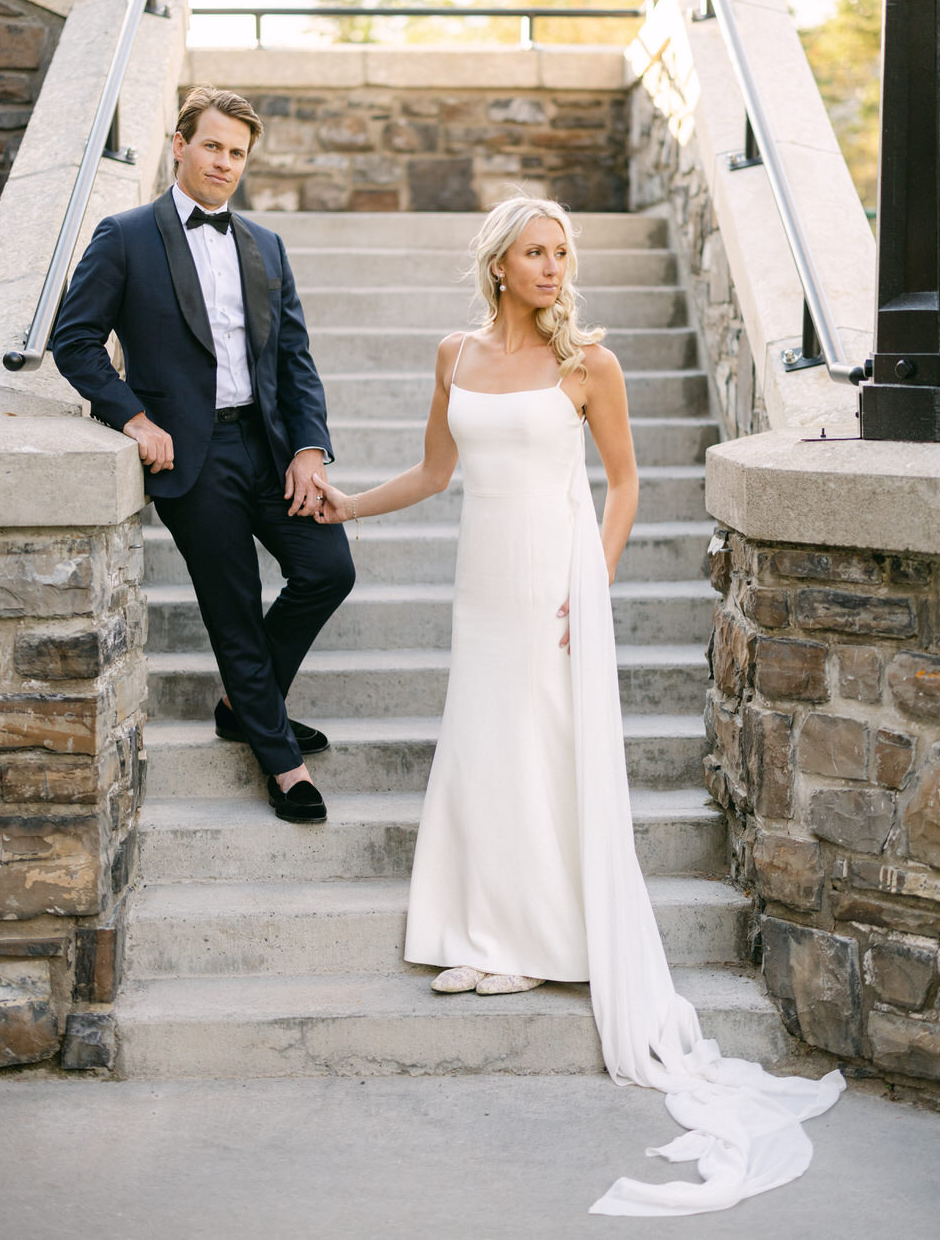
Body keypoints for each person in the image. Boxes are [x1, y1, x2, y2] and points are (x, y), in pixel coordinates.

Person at [314, 195, 844, 1217]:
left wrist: (591, 585)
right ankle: (475, 935)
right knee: (483, 745)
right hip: (481, 577)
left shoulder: (587, 363)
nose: (553, 267)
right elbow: (435, 471)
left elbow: (627, 484)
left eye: (562, 252)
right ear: (498, 266)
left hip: (556, 580)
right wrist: (347, 504)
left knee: (537, 746)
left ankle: (529, 944)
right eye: (534, 253)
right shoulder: (451, 355)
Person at [53, 86, 354, 823]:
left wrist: (309, 449)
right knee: (232, 608)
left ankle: (245, 707)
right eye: (213, 146)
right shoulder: (123, 236)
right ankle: (282, 763)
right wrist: (132, 418)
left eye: (237, 153)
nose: (224, 163)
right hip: (188, 455)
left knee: (327, 569)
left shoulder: (265, 245)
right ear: (179, 145)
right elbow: (75, 341)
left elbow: (294, 358)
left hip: (268, 443)